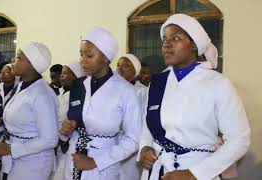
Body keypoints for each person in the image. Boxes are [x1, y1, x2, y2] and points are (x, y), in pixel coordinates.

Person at [138, 14, 250, 180]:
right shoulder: (157, 82)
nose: (166, 44)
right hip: (158, 169)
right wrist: (145, 147)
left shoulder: (218, 84)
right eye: (164, 39)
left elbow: (239, 140)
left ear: (195, 46)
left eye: (176, 38)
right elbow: (148, 126)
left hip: (200, 170)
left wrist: (195, 174)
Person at [60, 26, 141, 180]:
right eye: (81, 54)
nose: (82, 60)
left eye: (89, 55)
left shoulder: (125, 90)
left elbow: (133, 139)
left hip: (103, 166)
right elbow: (72, 124)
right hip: (73, 160)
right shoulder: (78, 85)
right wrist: (65, 130)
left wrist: (95, 161)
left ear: (106, 58)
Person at [0, 42, 59, 180]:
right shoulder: (22, 85)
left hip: (34, 162)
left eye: (19, 57)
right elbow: (25, 117)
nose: (13, 61)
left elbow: (50, 139)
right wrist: (2, 122)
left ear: (32, 64)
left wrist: (11, 149)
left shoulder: (42, 94)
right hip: (17, 155)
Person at [50, 61, 84, 180]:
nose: (61, 77)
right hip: (56, 144)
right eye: (62, 73)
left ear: (76, 75)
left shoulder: (79, 96)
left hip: (68, 145)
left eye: (65, 73)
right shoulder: (60, 94)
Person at [117, 54, 147, 180]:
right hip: (112, 142)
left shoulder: (143, 91)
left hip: (133, 145)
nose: (120, 68)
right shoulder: (110, 89)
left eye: (126, 66)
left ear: (136, 70)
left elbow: (143, 119)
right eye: (118, 65)